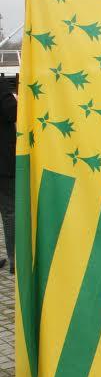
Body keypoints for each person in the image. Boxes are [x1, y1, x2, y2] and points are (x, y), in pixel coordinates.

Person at [0, 75, 17, 274]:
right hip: (3, 162)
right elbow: (12, 112)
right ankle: (15, 260)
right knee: (9, 211)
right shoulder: (1, 85)